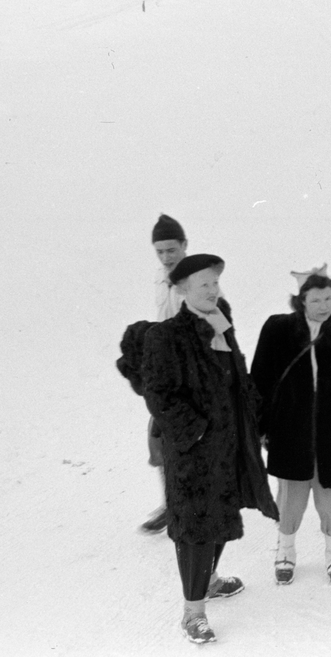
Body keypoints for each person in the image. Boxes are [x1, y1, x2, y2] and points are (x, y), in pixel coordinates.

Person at [142, 254, 278, 645]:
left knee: (223, 514)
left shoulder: (221, 323)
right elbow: (160, 396)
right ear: (183, 290)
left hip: (230, 446)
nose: (213, 290)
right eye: (204, 285)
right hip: (194, 456)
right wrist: (198, 433)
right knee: (197, 528)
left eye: (216, 283)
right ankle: (193, 614)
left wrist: (257, 422)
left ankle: (211, 581)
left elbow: (238, 379)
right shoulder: (165, 336)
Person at [251, 267, 331, 587]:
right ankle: (285, 551)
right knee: (290, 495)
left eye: (328, 298)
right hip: (289, 429)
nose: (324, 305)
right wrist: (260, 426)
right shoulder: (278, 329)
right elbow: (260, 380)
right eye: (316, 300)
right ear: (301, 300)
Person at [139, 213, 188, 534]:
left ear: (185, 245)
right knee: (157, 436)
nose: (166, 257)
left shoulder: (200, 278)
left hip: (193, 373)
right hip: (167, 371)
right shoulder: (160, 276)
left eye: (171, 250)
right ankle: (172, 504)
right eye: (160, 251)